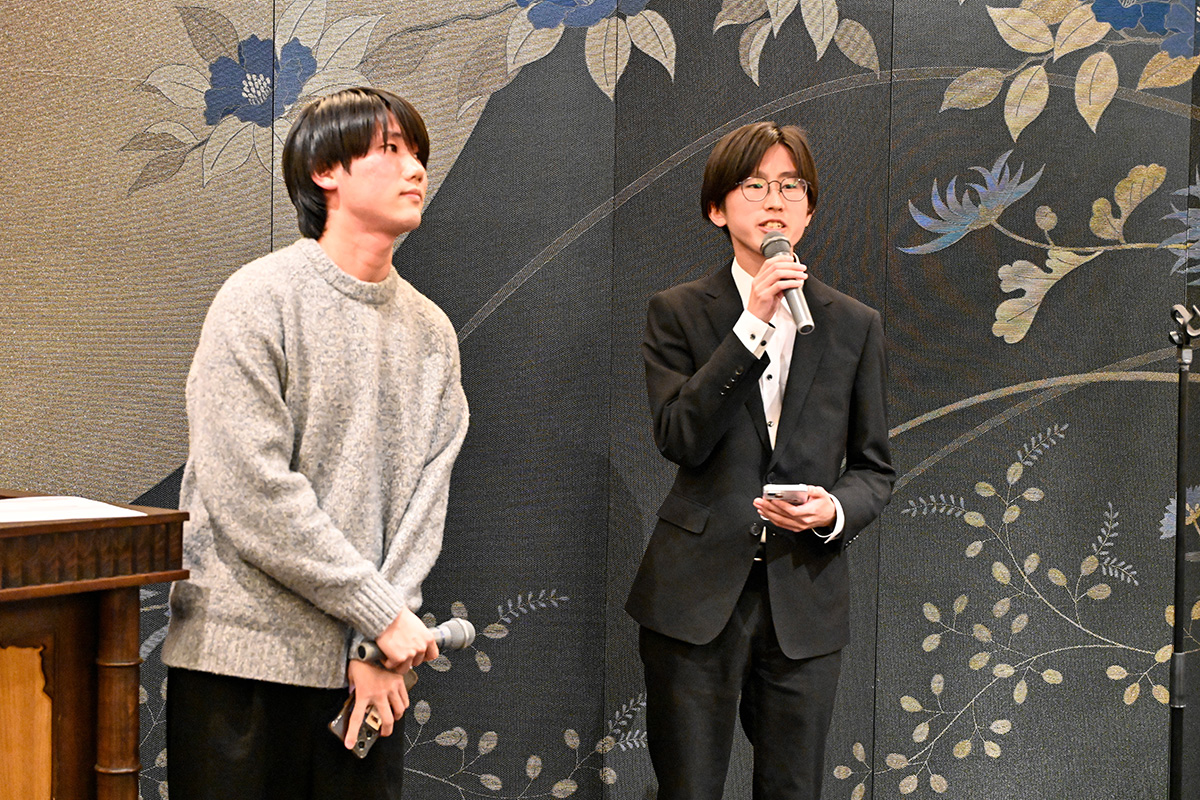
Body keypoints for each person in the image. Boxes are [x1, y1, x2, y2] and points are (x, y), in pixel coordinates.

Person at [161, 87, 469, 800]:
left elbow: (425, 505)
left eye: (418, 153)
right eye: (390, 149)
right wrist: (381, 617)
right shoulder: (258, 298)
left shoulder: (433, 334)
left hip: (365, 674)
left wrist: (376, 644)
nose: (415, 168)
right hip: (239, 666)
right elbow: (250, 492)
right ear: (325, 170)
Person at [626, 121, 895, 800]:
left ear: (809, 210)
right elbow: (679, 437)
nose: (775, 201)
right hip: (694, 598)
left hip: (803, 598)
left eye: (790, 186)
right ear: (717, 209)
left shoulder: (853, 324)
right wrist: (751, 325)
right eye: (754, 186)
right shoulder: (678, 312)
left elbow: (874, 467)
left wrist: (832, 509)